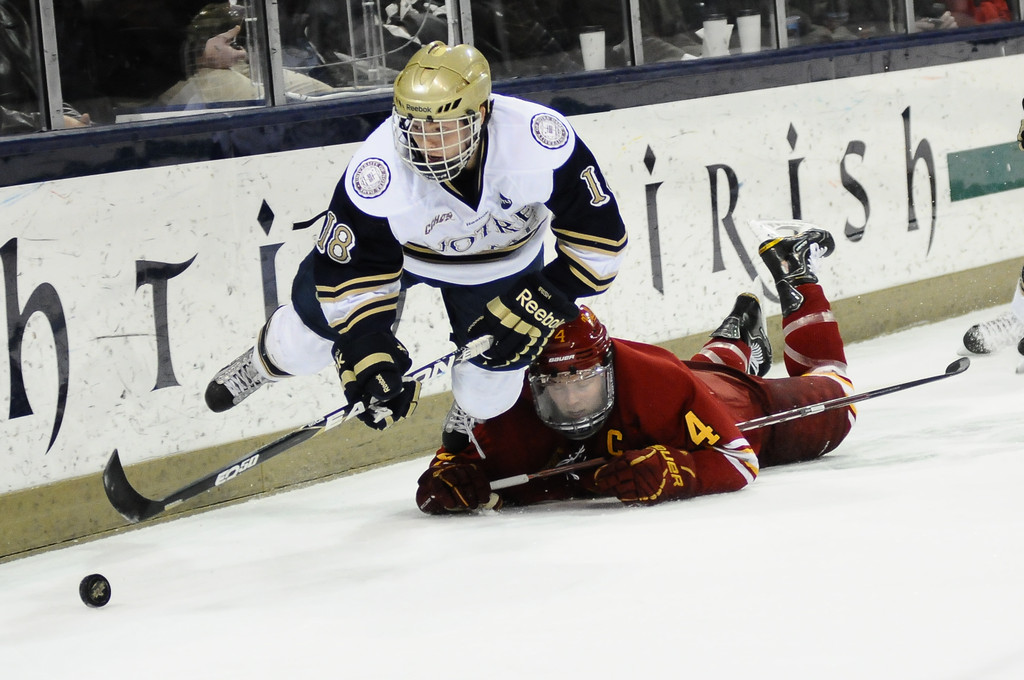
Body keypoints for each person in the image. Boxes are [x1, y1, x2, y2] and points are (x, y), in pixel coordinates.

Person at [204, 41, 628, 446]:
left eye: (443, 128)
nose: (425, 144)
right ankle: (263, 363)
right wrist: (368, 347)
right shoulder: (376, 172)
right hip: (401, 256)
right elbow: (349, 272)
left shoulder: (540, 141)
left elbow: (601, 241)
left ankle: (471, 408)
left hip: (502, 264)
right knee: (301, 345)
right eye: (415, 126)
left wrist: (543, 299)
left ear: (481, 115)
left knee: (489, 396)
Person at [415, 224, 855, 513]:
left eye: (582, 381)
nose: (569, 398)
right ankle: (735, 341)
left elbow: (739, 461)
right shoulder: (511, 405)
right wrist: (452, 482)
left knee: (839, 395)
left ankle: (794, 270)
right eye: (555, 386)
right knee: (695, 378)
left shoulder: (655, 384)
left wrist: (679, 472)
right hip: (685, 389)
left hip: (729, 406)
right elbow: (450, 465)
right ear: (531, 383)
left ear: (607, 369)